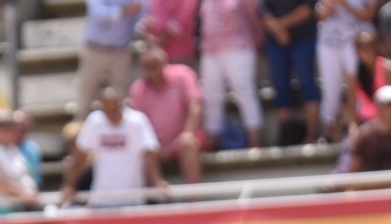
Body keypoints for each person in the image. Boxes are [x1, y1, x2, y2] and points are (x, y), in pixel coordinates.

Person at [62, 87, 170, 208]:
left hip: (132, 198)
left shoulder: (138, 121)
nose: (112, 114)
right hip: (101, 199)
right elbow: (81, 156)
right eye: (107, 110)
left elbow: (148, 154)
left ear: (122, 105)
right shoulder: (95, 121)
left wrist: (157, 181)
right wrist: (70, 186)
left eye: (115, 109)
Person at [130, 46, 205, 182]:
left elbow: (195, 106)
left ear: (165, 62)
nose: (152, 68)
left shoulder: (183, 75)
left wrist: (188, 132)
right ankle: (156, 196)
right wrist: (154, 142)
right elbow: (139, 122)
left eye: (155, 64)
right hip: (155, 142)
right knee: (144, 148)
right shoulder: (138, 89)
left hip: (183, 136)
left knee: (188, 143)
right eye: (147, 65)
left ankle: (192, 198)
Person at [200, 0, 265, 149]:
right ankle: (212, 139)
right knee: (211, 94)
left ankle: (255, 139)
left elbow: (255, 16)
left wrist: (258, 40)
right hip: (210, 49)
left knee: (244, 91)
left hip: (238, 46)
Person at [262, 0, 321, 143]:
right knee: (280, 86)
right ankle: (286, 136)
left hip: (304, 37)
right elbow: (261, 8)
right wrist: (277, 29)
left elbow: (308, 9)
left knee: (308, 84)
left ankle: (311, 136)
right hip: (275, 40)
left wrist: (280, 25)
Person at [75, 0, 143, 119]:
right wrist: (124, 11)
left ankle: (122, 133)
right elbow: (99, 15)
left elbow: (140, 17)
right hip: (95, 50)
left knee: (121, 97)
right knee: (85, 95)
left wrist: (143, 26)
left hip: (121, 51)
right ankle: (78, 130)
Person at [0, 108, 41, 212]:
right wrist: (21, 193)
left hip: (21, 208)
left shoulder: (12, 149)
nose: (11, 131)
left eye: (11, 126)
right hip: (1, 211)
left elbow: (26, 174)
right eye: (4, 127)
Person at [346, 84, 391, 170]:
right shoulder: (365, 135)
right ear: (380, 107)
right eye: (389, 105)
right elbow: (355, 164)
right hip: (369, 182)